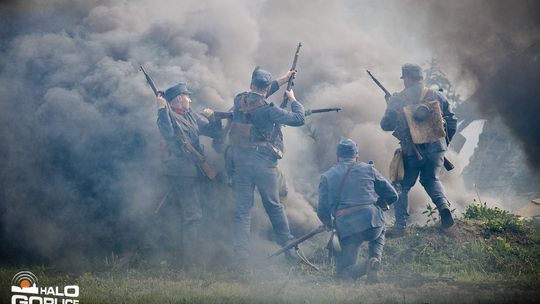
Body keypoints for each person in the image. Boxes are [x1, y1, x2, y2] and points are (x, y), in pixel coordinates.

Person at [228, 67, 303, 271]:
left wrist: (284, 79)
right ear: (265, 88)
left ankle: (241, 260)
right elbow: (299, 119)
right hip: (263, 164)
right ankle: (289, 251)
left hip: (241, 163)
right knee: (274, 207)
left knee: (242, 212)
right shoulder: (270, 110)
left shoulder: (239, 100)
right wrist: (293, 99)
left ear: (252, 84)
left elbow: (259, 95)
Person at [380, 63, 458, 235]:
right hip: (437, 149)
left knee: (402, 185)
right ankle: (444, 206)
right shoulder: (437, 95)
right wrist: (444, 144)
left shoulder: (398, 98)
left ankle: (400, 226)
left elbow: (386, 126)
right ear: (421, 78)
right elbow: (452, 122)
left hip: (412, 151)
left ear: (406, 78)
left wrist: (390, 105)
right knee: (431, 179)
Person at [155, 82, 221, 269]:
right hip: (181, 173)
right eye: (187, 96)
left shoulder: (191, 115)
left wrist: (213, 118)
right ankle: (190, 265)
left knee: (193, 214)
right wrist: (161, 109)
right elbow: (167, 134)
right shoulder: (166, 116)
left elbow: (215, 133)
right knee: (193, 217)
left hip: (195, 170)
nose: (190, 99)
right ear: (178, 99)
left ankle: (189, 256)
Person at [317, 138, 398, 283]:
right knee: (380, 224)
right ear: (356, 156)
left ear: (337, 157)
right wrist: (378, 204)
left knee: (343, 274)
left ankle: (366, 266)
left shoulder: (326, 176)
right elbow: (392, 195)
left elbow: (322, 210)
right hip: (373, 224)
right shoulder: (369, 169)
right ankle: (374, 259)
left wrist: (328, 224)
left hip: (348, 229)